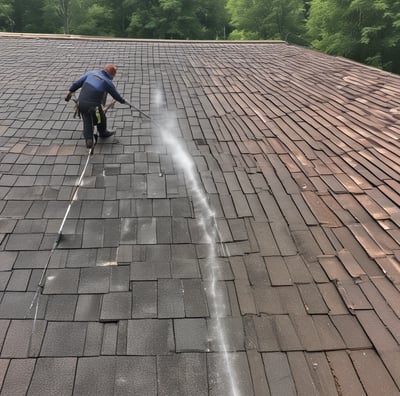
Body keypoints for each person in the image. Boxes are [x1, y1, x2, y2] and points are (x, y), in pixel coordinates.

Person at [65, 64, 127, 149]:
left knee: (87, 120)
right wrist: (123, 101)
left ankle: (89, 139)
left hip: (82, 103)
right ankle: (103, 132)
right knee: (101, 118)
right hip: (94, 107)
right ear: (111, 75)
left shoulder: (91, 73)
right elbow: (116, 95)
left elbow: (77, 83)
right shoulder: (107, 82)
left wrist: (71, 90)